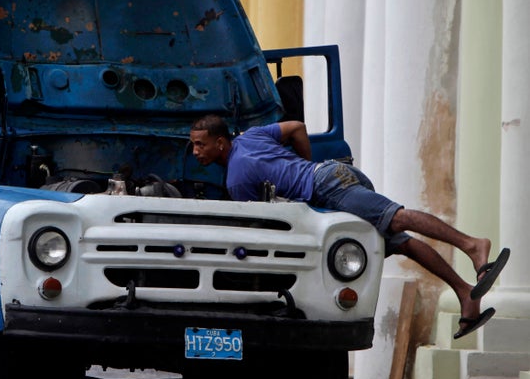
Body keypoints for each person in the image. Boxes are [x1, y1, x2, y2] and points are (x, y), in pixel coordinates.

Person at [189, 115, 509, 340]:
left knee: (396, 216)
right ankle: (466, 293)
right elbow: (297, 127)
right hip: (332, 172)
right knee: (399, 241)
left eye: (200, 145)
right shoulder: (252, 136)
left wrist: (308, 181)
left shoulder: (236, 178)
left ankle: (472, 244)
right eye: (193, 146)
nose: (196, 152)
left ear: (220, 143)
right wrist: (307, 165)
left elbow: (258, 229)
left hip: (327, 187)